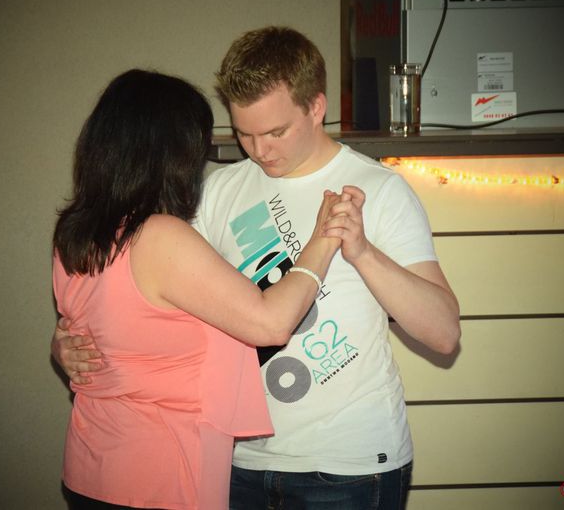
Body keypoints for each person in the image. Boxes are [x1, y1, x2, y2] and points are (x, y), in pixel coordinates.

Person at [54, 28, 461, 509]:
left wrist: (363, 252)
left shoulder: (381, 189)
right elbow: (144, 292)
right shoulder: (218, 190)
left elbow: (443, 335)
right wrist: (67, 339)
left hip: (345, 464)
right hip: (237, 459)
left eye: (275, 132)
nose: (259, 150)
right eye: (244, 134)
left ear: (315, 107)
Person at [51, 68, 344, 510]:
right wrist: (324, 237)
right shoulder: (158, 236)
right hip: (161, 476)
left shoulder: (75, 233)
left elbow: (99, 326)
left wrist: (58, 346)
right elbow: (271, 322)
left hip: (92, 467)